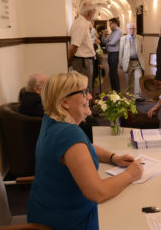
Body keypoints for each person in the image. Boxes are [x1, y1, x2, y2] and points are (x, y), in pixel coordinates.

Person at [27, 71, 143, 229]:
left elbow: (84, 147)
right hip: (66, 222)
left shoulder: (52, 121)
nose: (89, 96)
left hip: (47, 212)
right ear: (65, 102)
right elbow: (97, 193)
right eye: (83, 92)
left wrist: (113, 157)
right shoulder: (68, 134)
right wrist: (130, 174)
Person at [68, 1, 97, 95]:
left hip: (84, 61)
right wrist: (69, 61)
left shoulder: (83, 23)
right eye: (94, 12)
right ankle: (85, 108)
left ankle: (87, 108)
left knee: (86, 88)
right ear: (90, 12)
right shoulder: (80, 24)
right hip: (82, 62)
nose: (94, 14)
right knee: (84, 89)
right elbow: (73, 47)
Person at [119, 22, 145, 101]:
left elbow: (142, 51)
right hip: (128, 62)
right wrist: (121, 63)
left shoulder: (140, 38)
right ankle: (129, 95)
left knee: (138, 77)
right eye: (130, 29)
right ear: (127, 30)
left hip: (137, 62)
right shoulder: (123, 39)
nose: (132, 30)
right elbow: (121, 52)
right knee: (128, 80)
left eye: (133, 29)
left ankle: (137, 96)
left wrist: (143, 62)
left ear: (135, 29)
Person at [101, 17, 122, 92]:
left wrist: (107, 44)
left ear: (115, 23)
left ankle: (117, 91)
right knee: (111, 73)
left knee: (113, 72)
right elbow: (103, 41)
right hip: (110, 53)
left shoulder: (119, 32)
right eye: (109, 24)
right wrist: (104, 35)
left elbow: (113, 43)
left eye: (110, 24)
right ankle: (114, 90)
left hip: (115, 53)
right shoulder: (112, 32)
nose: (109, 25)